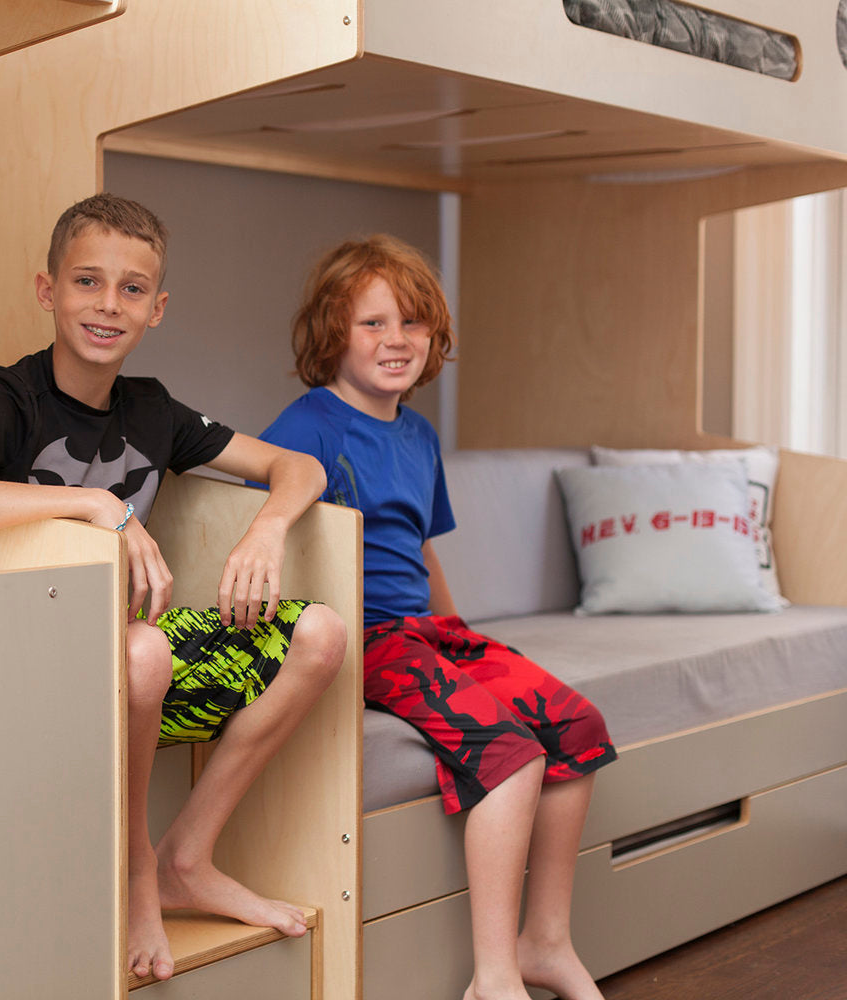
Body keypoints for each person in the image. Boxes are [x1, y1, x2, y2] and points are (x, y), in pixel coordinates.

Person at [0, 193, 347, 981]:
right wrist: (95, 504)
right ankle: (140, 871)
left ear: (158, 308)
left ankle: (187, 856)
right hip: (31, 673)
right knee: (144, 649)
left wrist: (268, 528)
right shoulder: (4, 394)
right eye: (87, 282)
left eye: (133, 289)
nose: (108, 305)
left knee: (321, 633)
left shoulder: (153, 409)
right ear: (48, 291)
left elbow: (299, 466)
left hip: (138, 666)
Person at [260, 235, 617, 1000]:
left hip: (425, 633)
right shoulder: (308, 428)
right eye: (373, 325)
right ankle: (493, 978)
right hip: (365, 639)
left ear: (435, 338)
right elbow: (269, 541)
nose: (398, 342)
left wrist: (467, 644)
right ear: (332, 335)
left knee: (577, 725)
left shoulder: (419, 437)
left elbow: (422, 554)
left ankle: (544, 942)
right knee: (510, 752)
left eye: (414, 325)